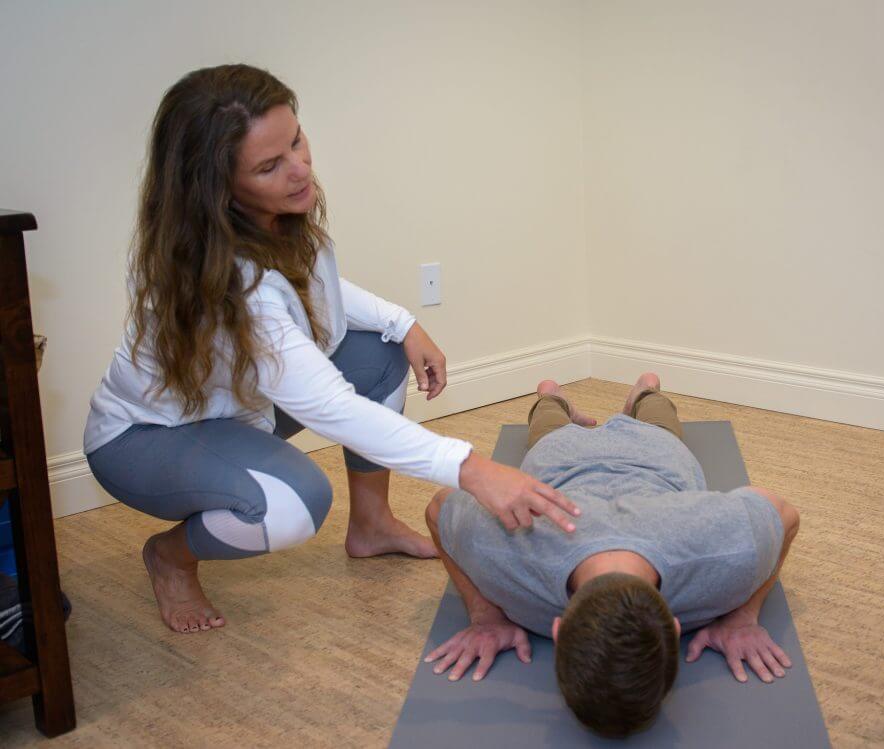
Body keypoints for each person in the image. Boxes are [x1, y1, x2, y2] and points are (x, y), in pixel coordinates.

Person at [84, 64, 578, 636]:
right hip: (145, 439)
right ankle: (171, 556)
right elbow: (332, 407)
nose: (300, 171)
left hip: (239, 409)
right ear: (216, 191)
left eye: (296, 141)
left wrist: (404, 322)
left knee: (380, 353)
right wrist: (473, 470)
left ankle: (371, 526)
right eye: (270, 166)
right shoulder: (230, 288)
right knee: (295, 503)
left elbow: (315, 291)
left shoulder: (273, 220)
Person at [424, 373, 801, 738]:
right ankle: (575, 395)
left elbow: (440, 507)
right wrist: (741, 616)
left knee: (586, 428)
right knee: (626, 427)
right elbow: (784, 512)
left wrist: (486, 614)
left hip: (592, 454)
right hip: (638, 452)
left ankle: (616, 392)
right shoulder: (719, 549)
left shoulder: (509, 546)